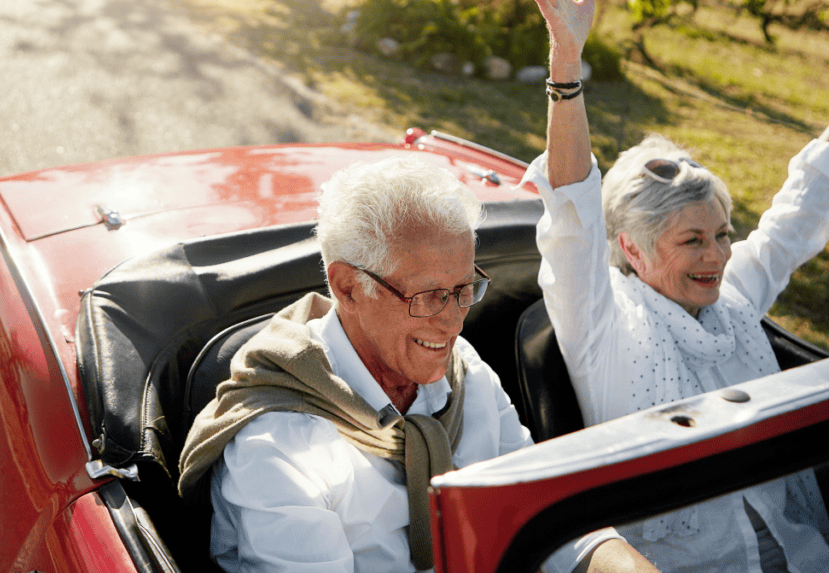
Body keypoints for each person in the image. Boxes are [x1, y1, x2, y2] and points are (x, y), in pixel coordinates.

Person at [521, 0, 829, 573]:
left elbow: (801, 207)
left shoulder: (731, 298)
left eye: (722, 234)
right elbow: (573, 207)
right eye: (692, 240)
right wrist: (566, 61)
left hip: (807, 558)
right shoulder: (601, 324)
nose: (718, 256)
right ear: (632, 248)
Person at [178, 157, 659, 573]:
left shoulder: (464, 373)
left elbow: (548, 512)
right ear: (348, 287)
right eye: (428, 295)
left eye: (464, 289)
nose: (452, 322)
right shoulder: (277, 448)